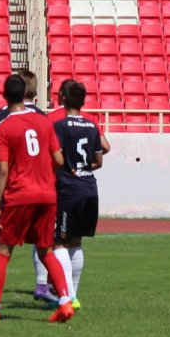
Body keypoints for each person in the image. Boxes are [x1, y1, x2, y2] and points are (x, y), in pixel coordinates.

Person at [0, 75, 74, 324]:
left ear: (5, 96)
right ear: (26, 93)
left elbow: (2, 169)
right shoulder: (44, 121)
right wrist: (43, 173)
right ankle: (65, 301)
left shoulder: (4, 126)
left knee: (3, 250)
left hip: (19, 195)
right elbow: (59, 159)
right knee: (46, 250)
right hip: (47, 195)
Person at [0, 69, 57, 305]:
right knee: (42, 241)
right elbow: (54, 154)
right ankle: (42, 285)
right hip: (39, 184)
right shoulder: (42, 117)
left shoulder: (1, 115)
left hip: (9, 184)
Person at [52, 81, 103, 310]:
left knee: (59, 242)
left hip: (69, 191)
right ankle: (74, 294)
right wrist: (82, 168)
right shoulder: (92, 126)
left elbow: (57, 159)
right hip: (90, 189)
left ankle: (69, 297)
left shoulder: (60, 126)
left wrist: (66, 169)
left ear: (63, 98)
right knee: (76, 241)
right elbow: (99, 161)